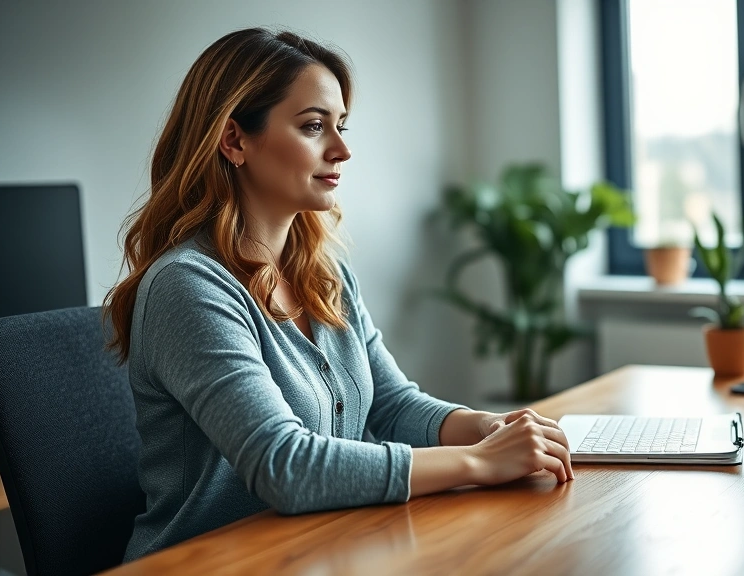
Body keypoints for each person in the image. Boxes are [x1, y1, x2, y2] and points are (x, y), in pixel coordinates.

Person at [104, 27, 574, 563]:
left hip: (322, 550)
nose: (342, 149)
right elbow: (286, 467)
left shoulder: (324, 274)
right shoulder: (189, 286)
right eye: (313, 127)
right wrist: (479, 462)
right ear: (234, 140)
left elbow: (392, 405)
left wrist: (487, 427)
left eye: (341, 126)